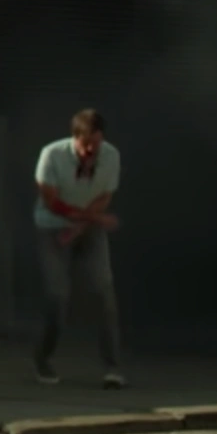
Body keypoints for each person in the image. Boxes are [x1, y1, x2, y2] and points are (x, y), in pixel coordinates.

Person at [32, 108, 124, 389]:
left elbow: (104, 196)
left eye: (96, 144)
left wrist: (82, 226)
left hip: (88, 227)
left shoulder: (111, 156)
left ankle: (113, 367)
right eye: (86, 145)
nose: (91, 151)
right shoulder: (52, 155)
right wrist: (87, 220)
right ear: (75, 138)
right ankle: (43, 359)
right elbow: (51, 201)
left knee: (103, 290)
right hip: (53, 227)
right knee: (57, 294)